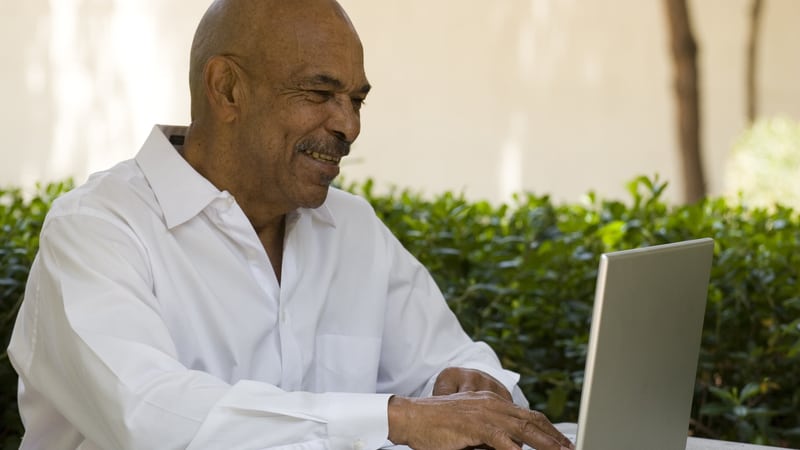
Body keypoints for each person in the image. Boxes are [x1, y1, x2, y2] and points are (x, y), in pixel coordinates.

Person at [8, 0, 574, 449]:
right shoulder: (97, 230)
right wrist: (395, 418)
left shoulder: (352, 227)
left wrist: (472, 387)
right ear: (227, 88)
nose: (348, 125)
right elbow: (149, 417)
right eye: (320, 93)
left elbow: (451, 361)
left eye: (356, 100)